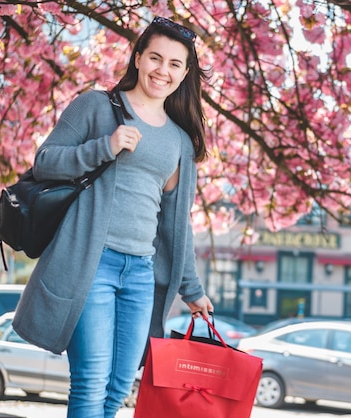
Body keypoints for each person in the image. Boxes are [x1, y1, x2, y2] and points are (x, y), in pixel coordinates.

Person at [12, 16, 214, 418]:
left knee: (120, 385)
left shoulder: (178, 140)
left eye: (174, 64)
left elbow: (176, 223)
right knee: (91, 381)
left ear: (185, 73)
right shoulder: (97, 106)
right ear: (138, 57)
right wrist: (104, 147)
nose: (163, 70)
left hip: (140, 273)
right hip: (91, 264)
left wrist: (192, 290)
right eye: (155, 57)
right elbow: (45, 162)